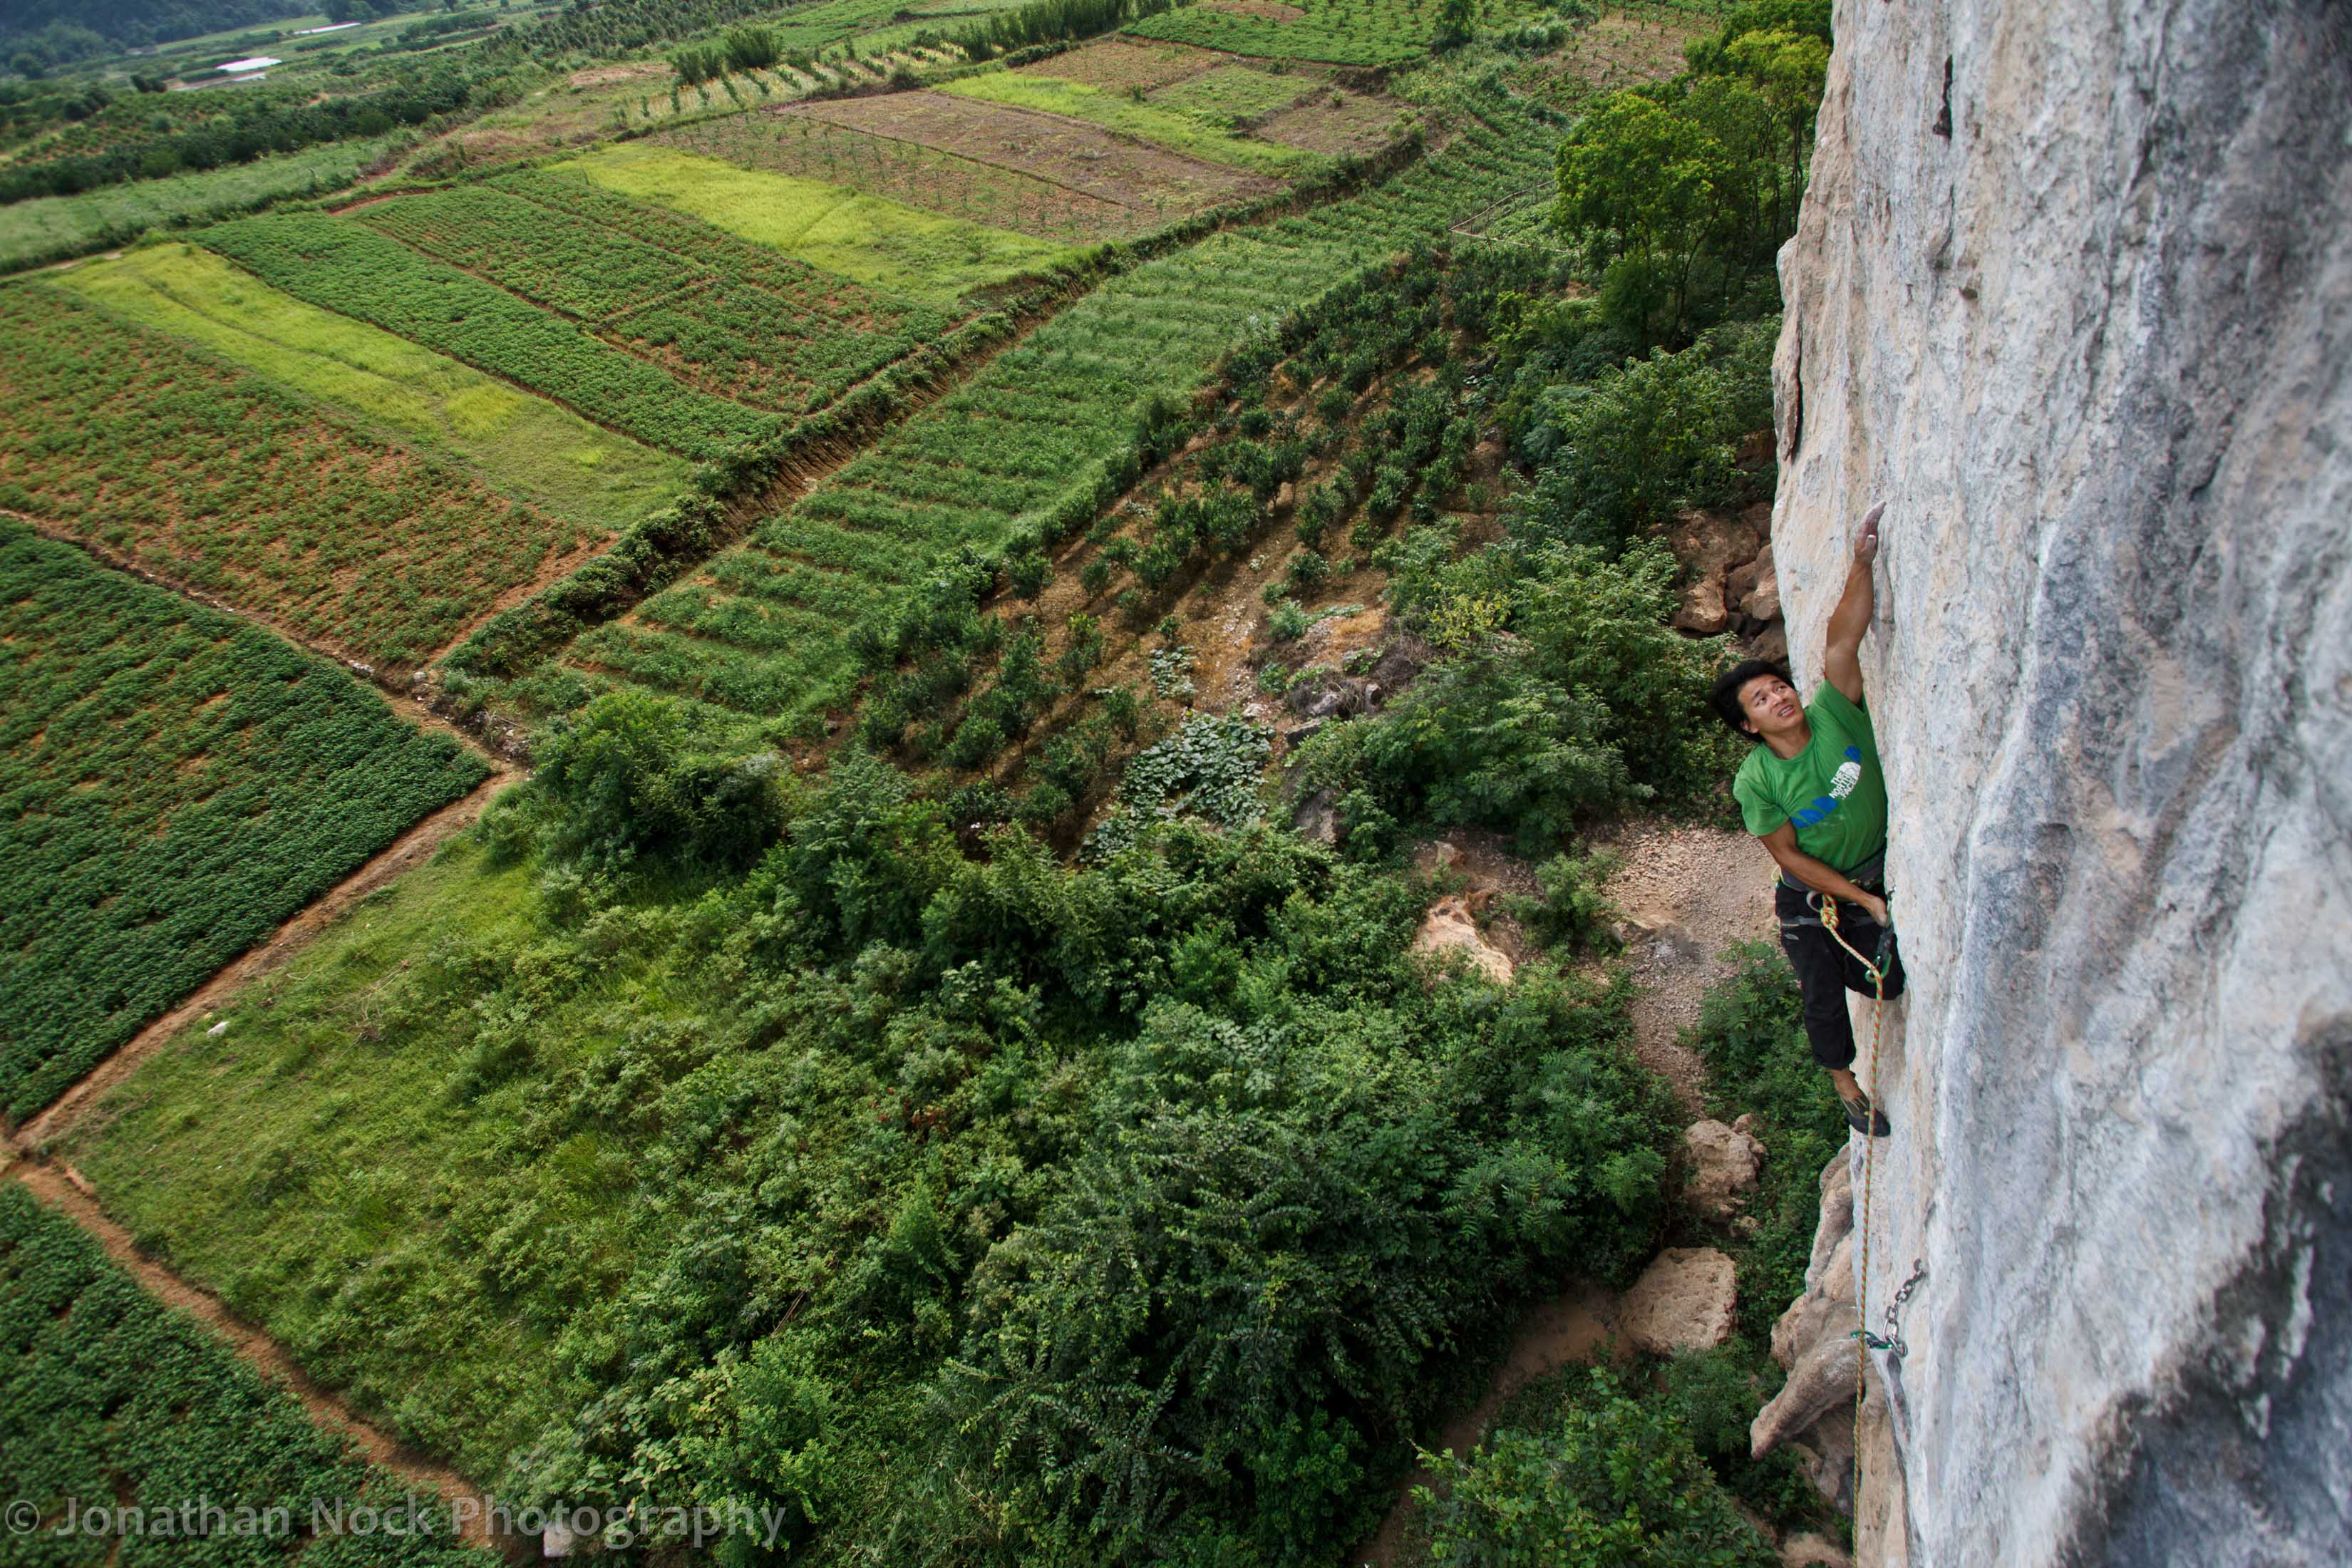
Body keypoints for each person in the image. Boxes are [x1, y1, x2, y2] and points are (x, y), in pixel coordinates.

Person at [1712, 502, 1904, 1137]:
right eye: (1761, 700)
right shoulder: (1758, 780)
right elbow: (1789, 858)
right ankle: (1844, 1083)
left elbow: (1843, 638)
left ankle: (1863, 950)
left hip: (1868, 873)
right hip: (1810, 897)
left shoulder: (1833, 714)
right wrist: (1860, 901)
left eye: (1777, 686)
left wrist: (1862, 559)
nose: (1779, 697)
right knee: (1821, 986)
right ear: (1750, 726)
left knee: (1888, 985)